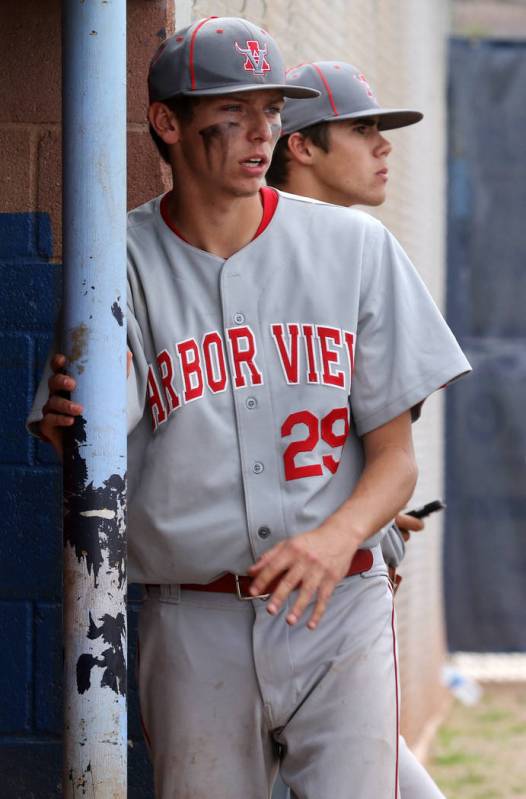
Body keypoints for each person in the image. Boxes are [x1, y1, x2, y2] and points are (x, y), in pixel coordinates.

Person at [28, 18, 470, 799]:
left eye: (272, 109)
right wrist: (74, 424)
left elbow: (397, 460)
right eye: (234, 109)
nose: (261, 130)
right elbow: (93, 446)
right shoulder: (115, 257)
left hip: (340, 602)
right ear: (167, 121)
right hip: (192, 616)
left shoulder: (355, 248)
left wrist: (336, 539)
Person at [266, 60, 450, 799]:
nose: (385, 147)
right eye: (363, 128)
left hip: (330, 599)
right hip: (235, 603)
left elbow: (380, 449)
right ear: (300, 146)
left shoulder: (362, 253)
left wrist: (363, 522)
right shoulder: (226, 258)